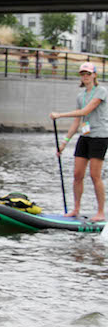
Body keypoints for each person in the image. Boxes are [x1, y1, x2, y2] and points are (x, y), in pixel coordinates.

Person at [51, 62, 108, 221]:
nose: (85, 77)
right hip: (85, 136)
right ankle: (75, 209)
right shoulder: (80, 96)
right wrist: (64, 143)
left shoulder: (101, 91)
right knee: (77, 175)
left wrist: (60, 115)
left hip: (100, 137)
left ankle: (100, 213)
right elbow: (77, 120)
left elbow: (85, 111)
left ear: (94, 75)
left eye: (88, 74)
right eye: (83, 74)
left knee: (95, 175)